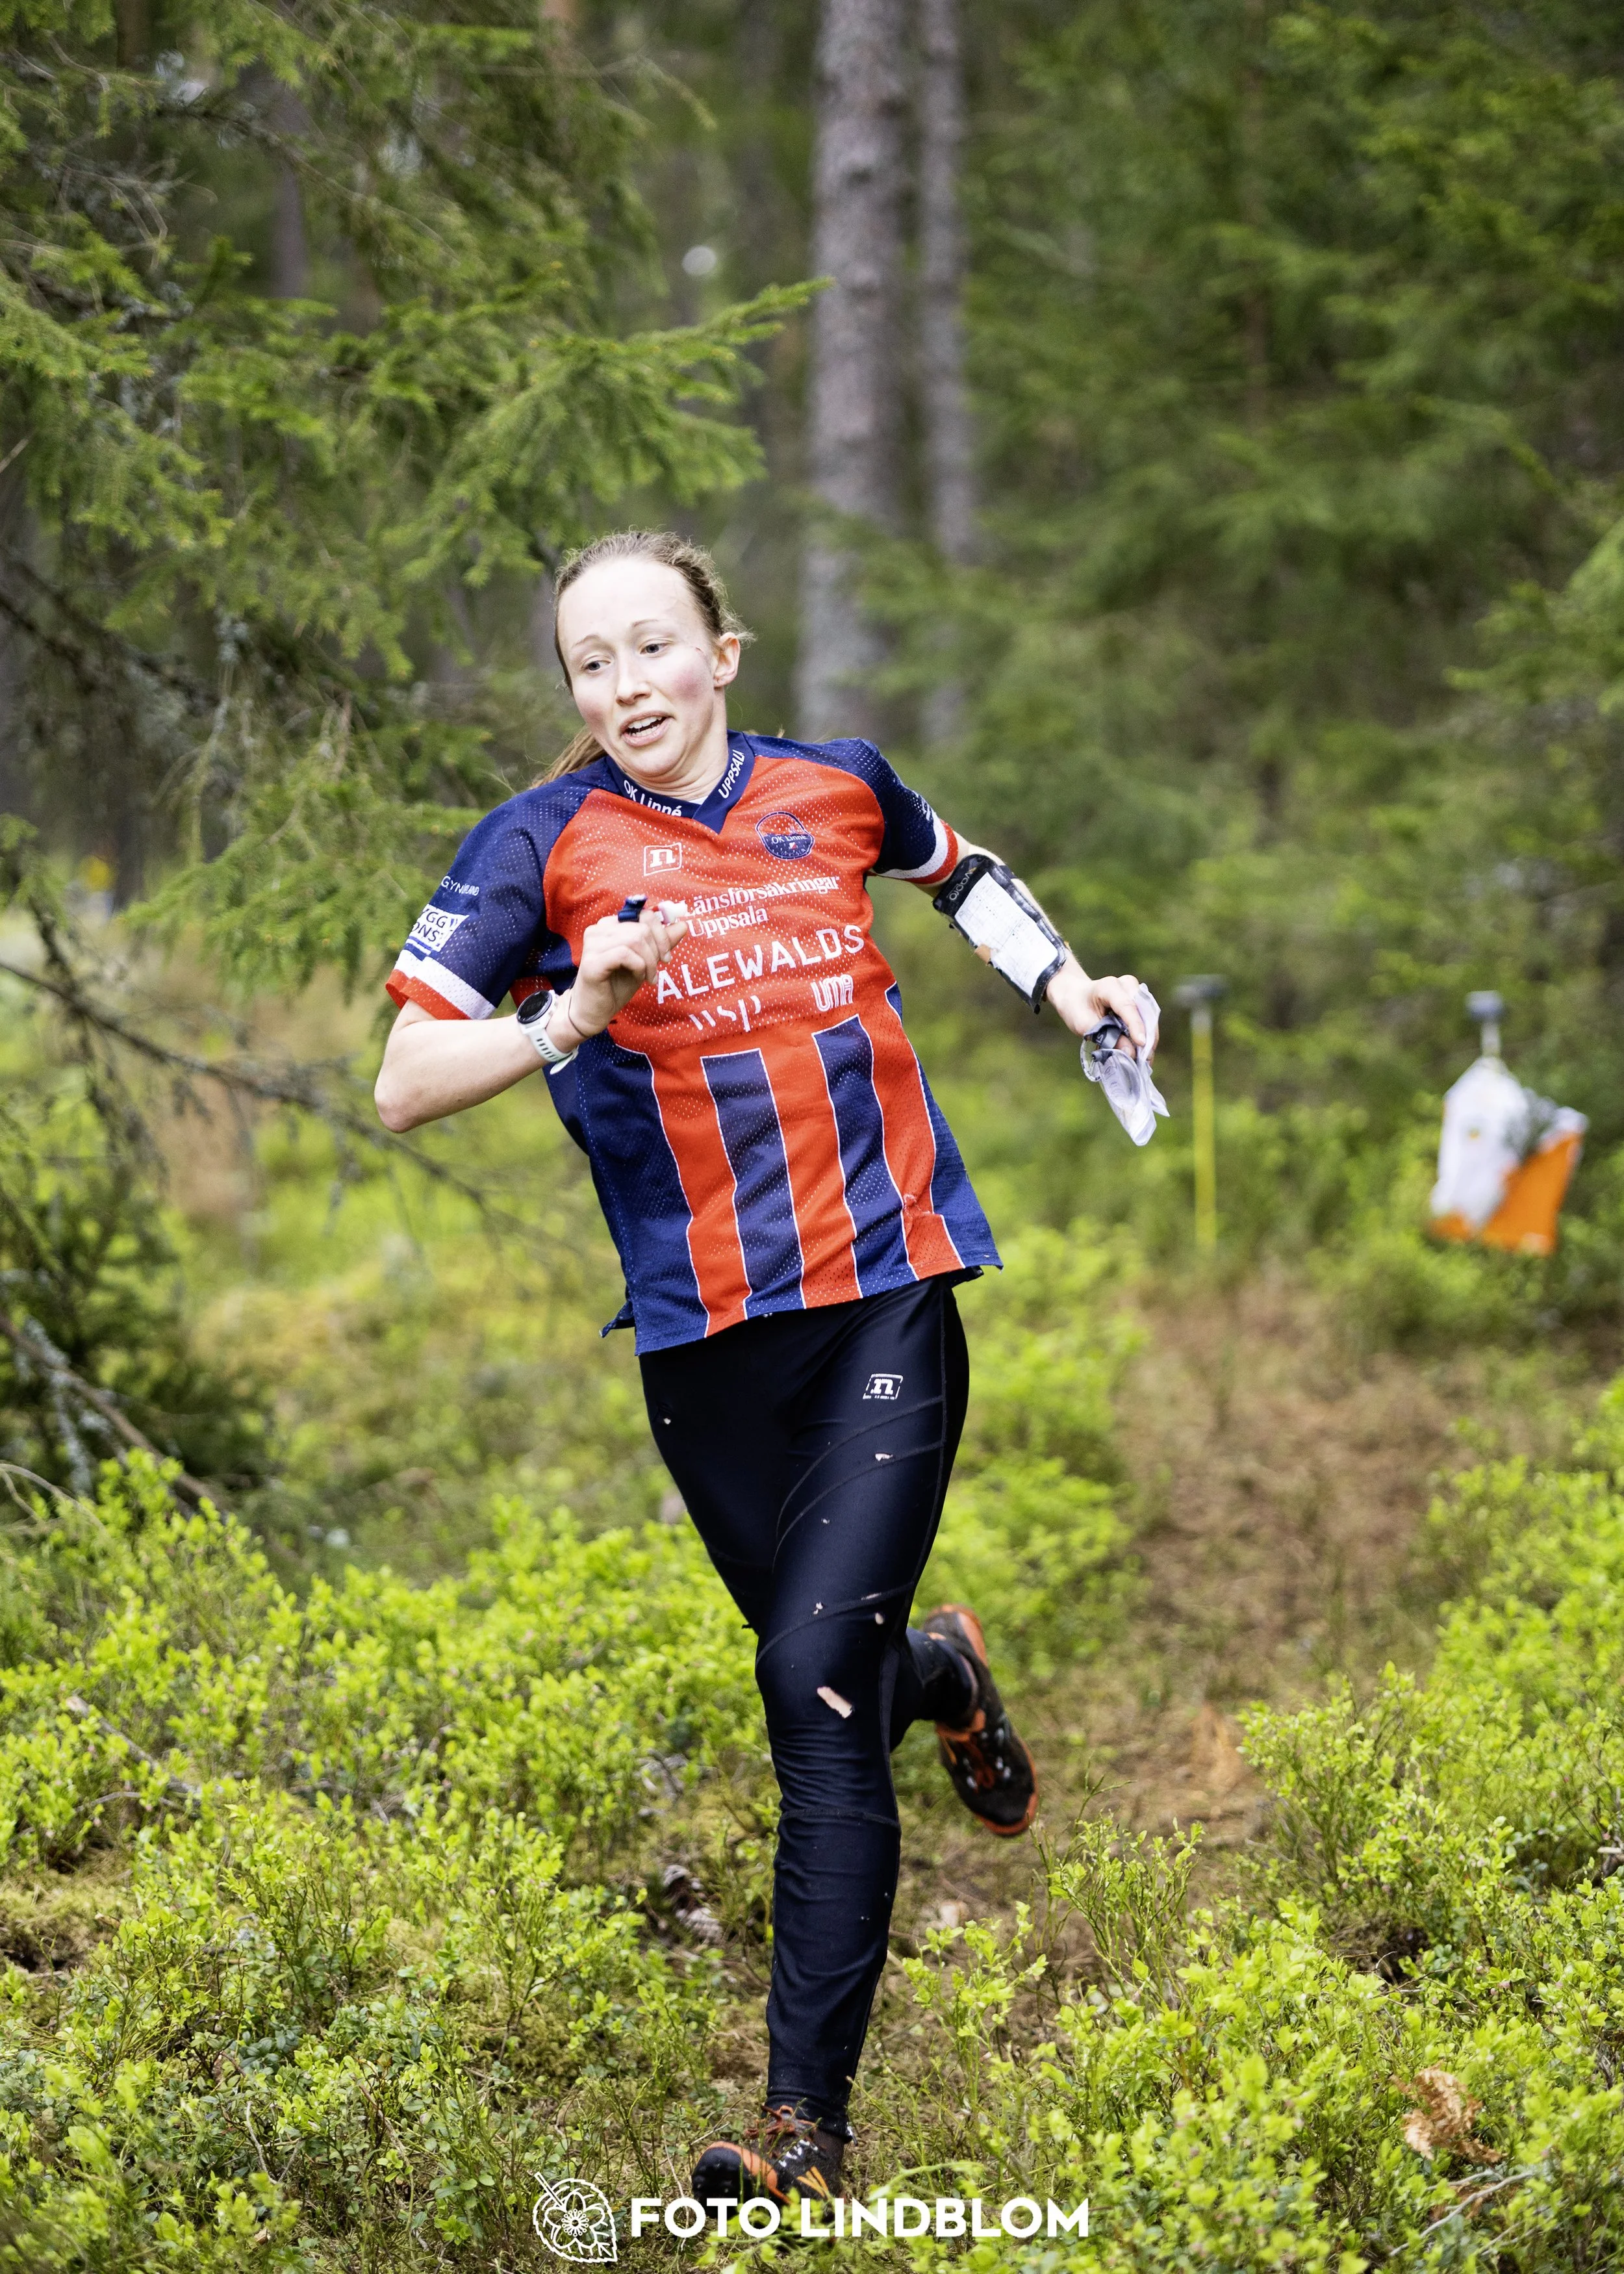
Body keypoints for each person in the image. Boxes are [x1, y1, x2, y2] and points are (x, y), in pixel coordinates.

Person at [374, 530, 1150, 2210]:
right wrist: (574, 1011)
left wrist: (1069, 986)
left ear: (721, 653)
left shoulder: (835, 786)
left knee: (808, 1689)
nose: (627, 685)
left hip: (884, 1292)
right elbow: (403, 1081)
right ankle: (943, 1677)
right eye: (591, 663)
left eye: (654, 646)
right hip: (703, 1344)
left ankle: (804, 2135)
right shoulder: (539, 845)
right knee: (844, 1665)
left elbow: (959, 869)